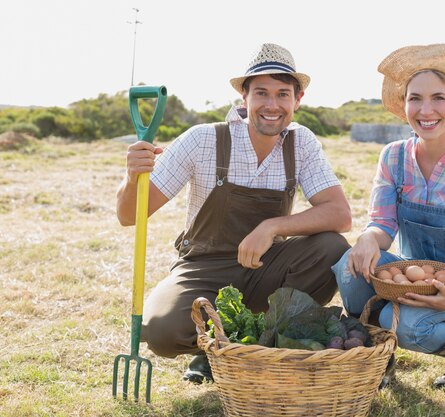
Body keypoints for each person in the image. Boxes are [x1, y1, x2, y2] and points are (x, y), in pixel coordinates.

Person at [116, 43, 352, 383]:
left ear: (297, 100)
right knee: (161, 332)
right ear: (245, 97)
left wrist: (271, 227)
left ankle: (266, 345)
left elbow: (340, 214)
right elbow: (129, 216)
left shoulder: (301, 143)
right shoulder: (202, 140)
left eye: (283, 94)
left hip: (264, 267)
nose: (272, 105)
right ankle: (212, 350)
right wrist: (132, 176)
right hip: (203, 270)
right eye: (261, 93)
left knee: (331, 247)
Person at [332, 44, 445, 389]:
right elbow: (382, 224)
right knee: (348, 269)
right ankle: (380, 363)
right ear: (404, 104)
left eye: (438, 98)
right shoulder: (393, 157)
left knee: (408, 326)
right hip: (411, 277)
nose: (426, 110)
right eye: (415, 99)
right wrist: (368, 238)